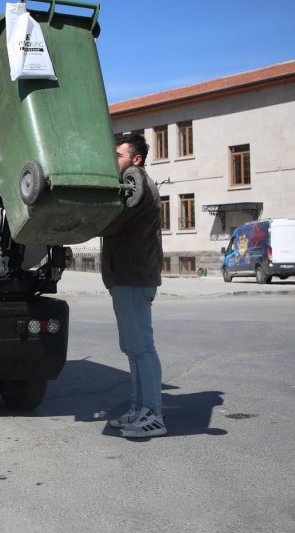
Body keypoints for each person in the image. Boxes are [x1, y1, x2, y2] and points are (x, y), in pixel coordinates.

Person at [100, 132, 166, 438]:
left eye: (118, 155)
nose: (114, 160)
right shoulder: (134, 180)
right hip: (127, 276)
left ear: (135, 159)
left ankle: (152, 414)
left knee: (141, 349)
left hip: (132, 277)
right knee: (133, 349)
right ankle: (140, 409)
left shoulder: (136, 180)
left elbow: (111, 220)